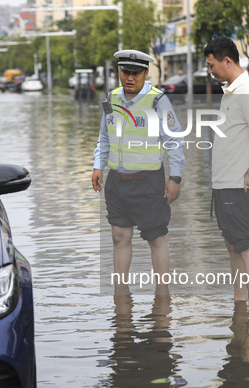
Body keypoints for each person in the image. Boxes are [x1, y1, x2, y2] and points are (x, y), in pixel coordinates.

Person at [91, 49, 185, 293]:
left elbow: (174, 140)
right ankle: (121, 299)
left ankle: (162, 297)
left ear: (146, 73)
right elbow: (104, 137)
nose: (129, 78)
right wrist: (97, 166)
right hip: (117, 183)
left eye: (135, 73)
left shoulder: (157, 100)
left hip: (149, 183)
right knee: (119, 238)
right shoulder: (111, 98)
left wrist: (175, 178)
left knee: (156, 238)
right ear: (118, 72)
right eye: (125, 72)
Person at [204, 37, 249, 307]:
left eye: (211, 65)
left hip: (238, 184)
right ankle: (239, 303)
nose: (209, 71)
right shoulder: (231, 91)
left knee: (245, 247)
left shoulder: (247, 91)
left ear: (227, 61)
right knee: (232, 245)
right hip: (224, 184)